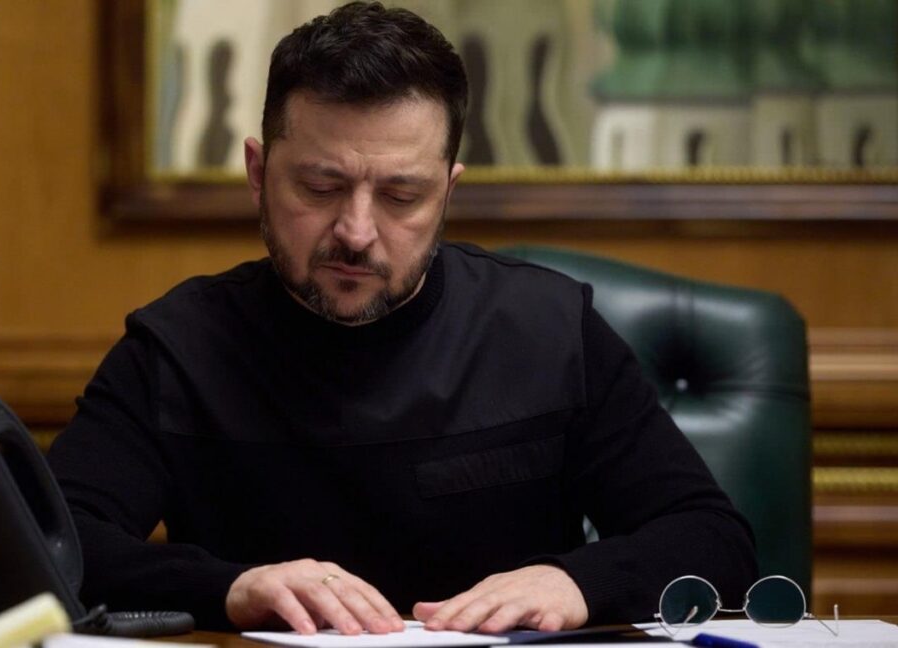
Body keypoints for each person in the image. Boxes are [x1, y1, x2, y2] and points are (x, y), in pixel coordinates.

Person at [48, 1, 756, 635]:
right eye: (320, 186)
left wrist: (575, 582)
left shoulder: (550, 331)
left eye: (401, 196)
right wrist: (229, 588)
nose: (356, 232)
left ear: (448, 192)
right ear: (259, 174)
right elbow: (50, 544)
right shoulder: (178, 347)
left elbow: (714, 539)